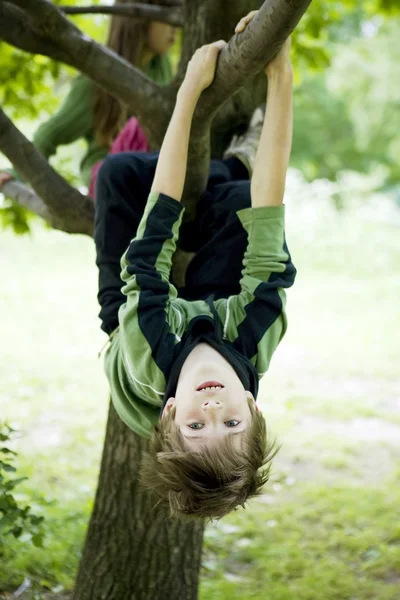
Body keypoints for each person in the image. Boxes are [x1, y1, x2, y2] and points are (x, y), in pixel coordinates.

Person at [95, 10, 296, 520]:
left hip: (132, 320)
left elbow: (155, 229)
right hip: (213, 311)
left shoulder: (146, 344)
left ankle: (225, 168)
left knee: (117, 176)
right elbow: (270, 210)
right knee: (236, 201)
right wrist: (280, 73)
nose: (213, 412)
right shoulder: (257, 329)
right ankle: (230, 170)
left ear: (169, 414)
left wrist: (189, 90)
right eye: (232, 425)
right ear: (252, 408)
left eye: (196, 427)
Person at [0, 0, 177, 196]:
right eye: (166, 16)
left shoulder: (161, 67)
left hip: (153, 172)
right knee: (141, 127)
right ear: (141, 19)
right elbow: (50, 135)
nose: (176, 26)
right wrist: (16, 172)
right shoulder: (94, 81)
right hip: (110, 175)